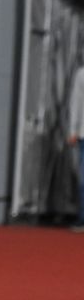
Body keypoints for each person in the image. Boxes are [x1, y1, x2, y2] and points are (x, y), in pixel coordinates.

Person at [66, 65, 84, 228]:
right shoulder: (81, 74)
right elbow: (76, 103)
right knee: (83, 178)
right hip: (83, 134)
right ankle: (82, 217)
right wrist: (73, 130)